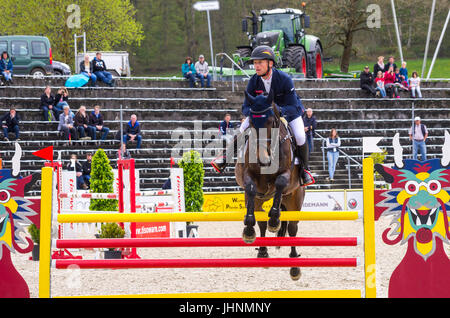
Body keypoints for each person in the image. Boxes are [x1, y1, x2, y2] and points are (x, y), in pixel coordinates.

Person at [211, 45, 314, 186]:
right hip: (263, 116)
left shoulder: (284, 79)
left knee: (301, 136)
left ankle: (304, 170)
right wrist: (254, 113)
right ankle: (224, 157)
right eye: (254, 63)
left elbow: (293, 106)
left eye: (260, 62)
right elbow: (245, 107)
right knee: (242, 128)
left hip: (288, 113)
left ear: (270, 63)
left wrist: (278, 111)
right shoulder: (254, 81)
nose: (256, 66)